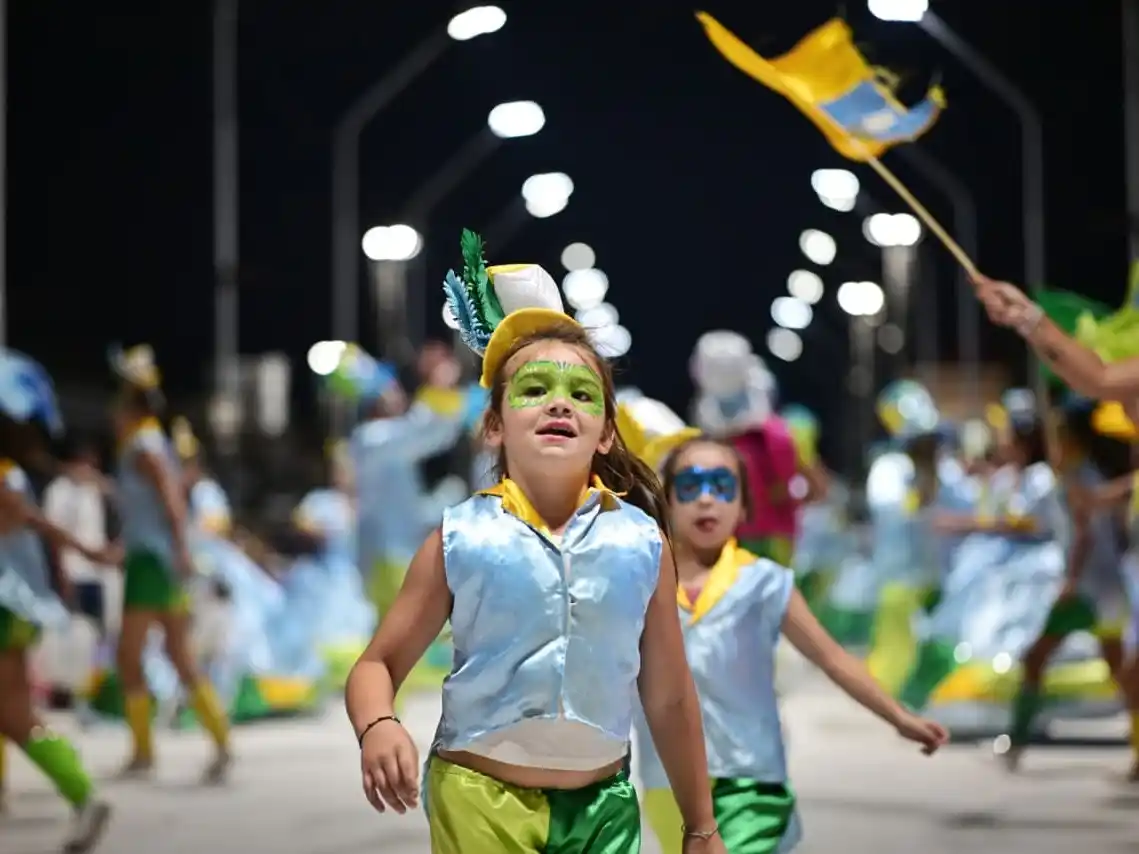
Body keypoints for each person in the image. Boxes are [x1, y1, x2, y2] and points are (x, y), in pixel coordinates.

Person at [345, 230, 727, 853]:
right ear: (493, 424)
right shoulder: (459, 537)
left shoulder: (643, 544)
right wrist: (379, 724)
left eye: (581, 394)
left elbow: (669, 696)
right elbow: (375, 665)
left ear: (606, 431)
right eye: (533, 390)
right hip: (478, 803)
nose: (559, 404)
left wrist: (700, 825)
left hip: (604, 813)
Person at [633, 436, 947, 853]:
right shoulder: (641, 583)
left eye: (723, 486)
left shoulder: (764, 583)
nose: (707, 500)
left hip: (750, 783)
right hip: (666, 782)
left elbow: (831, 658)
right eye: (691, 486)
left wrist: (898, 717)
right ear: (667, 502)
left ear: (744, 506)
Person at [0, 348, 112, 851]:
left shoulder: (5, 477)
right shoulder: (12, 473)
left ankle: (83, 794)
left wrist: (86, 549)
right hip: (16, 606)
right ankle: (81, 793)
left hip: (6, 606)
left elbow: (27, 520)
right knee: (15, 713)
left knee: (15, 715)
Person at [106, 345, 231, 783]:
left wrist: (178, 548)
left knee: (129, 657)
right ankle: (220, 740)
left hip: (151, 563)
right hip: (155, 558)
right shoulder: (146, 441)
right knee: (179, 655)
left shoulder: (142, 444)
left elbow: (171, 500)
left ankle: (143, 751)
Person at [1002, 407, 1136, 771]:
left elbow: (1084, 535)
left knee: (1037, 658)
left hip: (1087, 588)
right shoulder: (1079, 477)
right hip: (1107, 585)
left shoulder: (1077, 479)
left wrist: (1071, 580)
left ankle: (1016, 739)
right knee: (1121, 671)